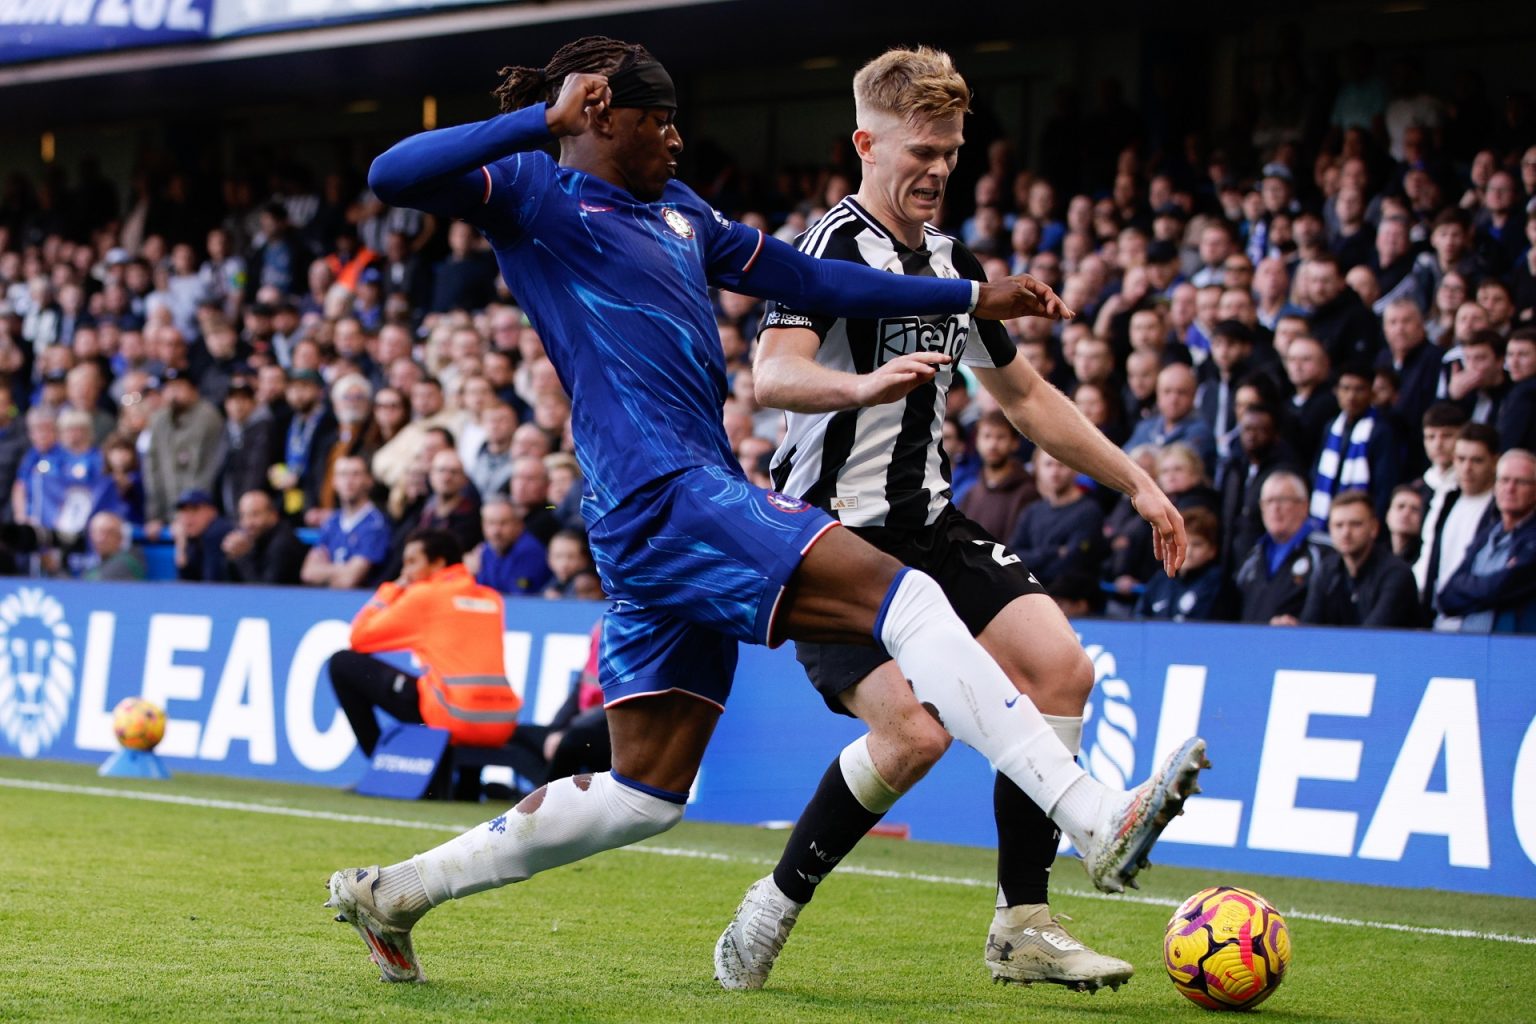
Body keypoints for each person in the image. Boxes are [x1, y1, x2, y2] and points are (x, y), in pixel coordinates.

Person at [325, 37, 1204, 987]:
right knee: (907, 599)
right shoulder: (537, 193)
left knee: (643, 794)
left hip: (672, 502)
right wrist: (539, 121)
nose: (677, 138)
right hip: (661, 490)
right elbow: (391, 173)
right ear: (600, 116)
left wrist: (969, 296)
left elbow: (813, 283)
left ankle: (399, 891)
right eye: (659, 121)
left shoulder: (681, 211)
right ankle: (1091, 816)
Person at [720, 46, 1187, 994]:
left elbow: (1024, 396)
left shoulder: (950, 266)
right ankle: (773, 903)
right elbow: (772, 375)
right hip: (828, 540)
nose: (938, 170)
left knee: (1062, 668)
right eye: (921, 150)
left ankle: (1024, 924)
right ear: (867, 145)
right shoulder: (824, 251)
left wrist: (1137, 482)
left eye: (952, 152)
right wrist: (861, 385)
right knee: (914, 739)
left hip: (928, 525)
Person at [327, 528, 518, 793]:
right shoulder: (491, 599)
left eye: (412, 562)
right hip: (501, 722)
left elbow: (359, 637)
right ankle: (467, 784)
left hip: (453, 718)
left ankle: (382, 765)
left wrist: (393, 589)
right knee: (445, 682)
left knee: (342, 663)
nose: (406, 570)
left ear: (437, 563)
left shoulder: (424, 595)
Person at [1437, 449, 1536, 632]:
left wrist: (1469, 587)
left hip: (1516, 645)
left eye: (1521, 482)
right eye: (1504, 480)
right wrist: (1490, 591)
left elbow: (1502, 587)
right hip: (1473, 644)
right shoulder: (1486, 534)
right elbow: (1446, 597)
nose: (1510, 488)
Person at [1416, 423, 1499, 628]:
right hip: (1436, 621)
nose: (1467, 468)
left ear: (1494, 461)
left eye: (1477, 460)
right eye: (1461, 459)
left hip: (1475, 624)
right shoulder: (1447, 500)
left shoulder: (1499, 510)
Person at [1294, 492, 1419, 627]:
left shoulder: (1396, 574)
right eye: (1339, 525)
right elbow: (1309, 628)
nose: (1346, 533)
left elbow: (1375, 634)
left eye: (1355, 524)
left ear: (1374, 527)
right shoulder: (1326, 571)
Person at [1235, 470, 1331, 623]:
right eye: (1269, 501)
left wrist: (1303, 628)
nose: (1275, 508)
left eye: (1283, 500)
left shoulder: (1324, 552)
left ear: (1304, 505)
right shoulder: (1253, 557)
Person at [301, 455, 392, 589]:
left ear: (368, 480)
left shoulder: (375, 524)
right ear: (334, 482)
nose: (348, 481)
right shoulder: (332, 522)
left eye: (355, 474)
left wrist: (325, 571)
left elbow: (349, 580)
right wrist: (344, 569)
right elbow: (308, 573)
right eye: (343, 474)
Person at [468, 496, 551, 595]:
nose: (496, 531)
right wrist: (470, 574)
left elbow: (519, 596)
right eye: (490, 523)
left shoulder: (530, 552)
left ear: (519, 524)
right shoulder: (485, 550)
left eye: (503, 523)